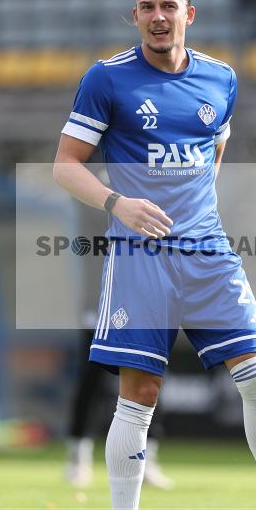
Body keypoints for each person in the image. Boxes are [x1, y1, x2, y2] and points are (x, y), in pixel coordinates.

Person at [52, 0, 256, 510]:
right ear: (134, 16)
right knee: (137, 397)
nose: (158, 16)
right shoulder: (107, 79)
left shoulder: (221, 80)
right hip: (140, 258)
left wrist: (196, 216)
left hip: (209, 255)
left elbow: (214, 150)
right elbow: (65, 165)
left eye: (169, 6)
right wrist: (120, 203)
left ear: (190, 15)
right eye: (147, 7)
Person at [65, 187, 174, 490]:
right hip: (101, 298)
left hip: (145, 298)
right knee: (93, 378)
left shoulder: (150, 173)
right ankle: (78, 455)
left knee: (152, 376)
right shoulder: (97, 177)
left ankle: (147, 457)